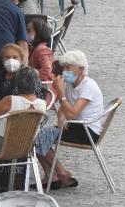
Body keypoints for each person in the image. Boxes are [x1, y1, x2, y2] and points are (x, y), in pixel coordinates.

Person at [42, 50, 106, 187]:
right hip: (75, 126)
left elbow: (71, 113)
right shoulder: (70, 85)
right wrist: (60, 125)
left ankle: (60, 172)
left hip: (87, 131)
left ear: (80, 69)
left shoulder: (89, 86)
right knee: (35, 135)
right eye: (63, 68)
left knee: (38, 137)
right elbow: (63, 109)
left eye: (68, 68)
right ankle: (51, 175)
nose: (64, 71)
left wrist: (60, 93)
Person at [0, 43, 44, 112]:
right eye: (7, 57)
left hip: (23, 116)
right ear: (2, 60)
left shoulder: (28, 75)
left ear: (21, 59)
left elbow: (36, 98)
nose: (11, 61)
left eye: (15, 57)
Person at [27, 18, 54, 82]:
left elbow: (46, 70)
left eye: (29, 31)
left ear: (38, 33)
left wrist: (29, 77)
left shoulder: (41, 49)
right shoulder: (33, 47)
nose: (26, 33)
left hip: (42, 85)